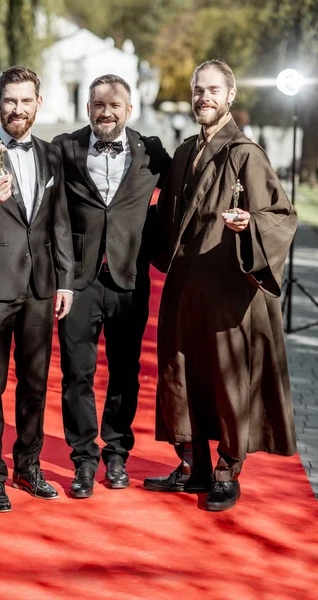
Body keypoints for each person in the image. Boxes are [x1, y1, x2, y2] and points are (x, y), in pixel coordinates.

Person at [143, 59, 297, 511]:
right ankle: (193, 468)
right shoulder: (187, 150)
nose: (204, 97)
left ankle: (228, 471)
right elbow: (165, 215)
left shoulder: (245, 153)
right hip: (186, 283)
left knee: (229, 380)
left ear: (230, 96)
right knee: (180, 375)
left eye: (213, 90)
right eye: (197, 90)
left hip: (229, 288)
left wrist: (250, 223)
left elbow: (281, 216)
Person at [0, 66, 74, 513]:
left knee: (36, 382)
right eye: (10, 100)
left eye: (26, 100)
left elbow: (60, 221)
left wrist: (66, 282)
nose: (18, 108)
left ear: (38, 103)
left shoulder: (52, 155)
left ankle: (28, 464)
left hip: (41, 286)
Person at [52, 74, 171, 498]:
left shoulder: (152, 151)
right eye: (98, 104)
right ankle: (83, 461)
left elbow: (188, 187)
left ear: (129, 109)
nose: (106, 112)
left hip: (129, 278)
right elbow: (17, 157)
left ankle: (117, 453)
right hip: (77, 280)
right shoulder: (65, 147)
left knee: (125, 372)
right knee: (76, 374)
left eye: (114, 105)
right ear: (88, 109)